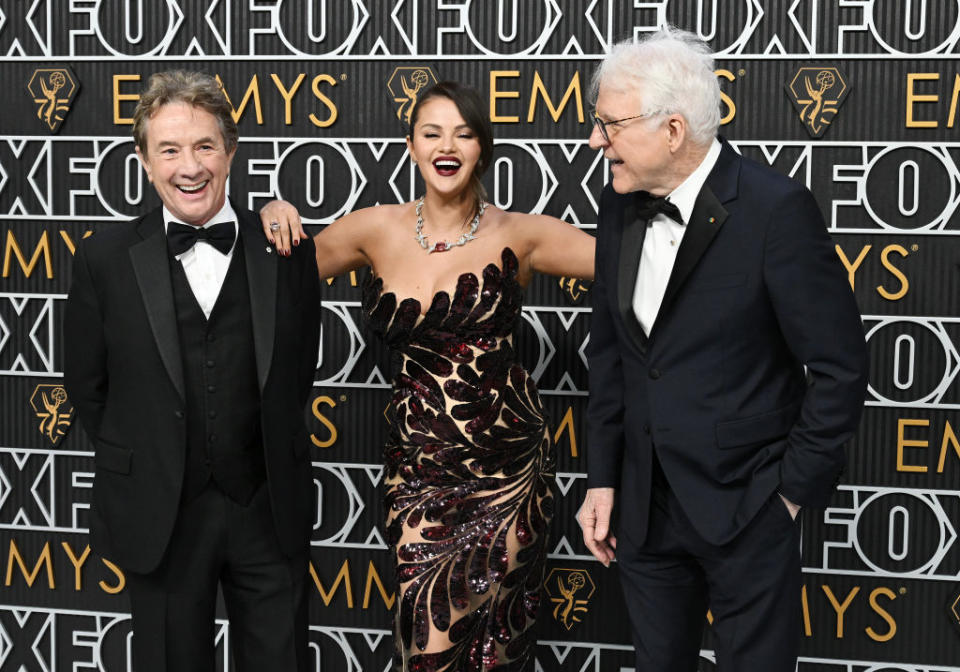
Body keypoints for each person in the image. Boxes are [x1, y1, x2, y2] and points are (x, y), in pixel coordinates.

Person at [261, 81, 594, 671]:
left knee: (495, 654)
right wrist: (271, 213)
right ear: (411, 145)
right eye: (432, 132)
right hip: (418, 474)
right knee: (429, 645)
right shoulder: (375, 229)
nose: (448, 146)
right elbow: (271, 277)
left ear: (482, 148)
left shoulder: (522, 233)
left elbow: (638, 265)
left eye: (464, 134)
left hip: (507, 475)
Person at [576, 28, 868, 671]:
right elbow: (611, 355)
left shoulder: (775, 209)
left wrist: (787, 496)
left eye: (609, 125)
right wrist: (602, 477)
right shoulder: (618, 207)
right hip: (644, 514)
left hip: (747, 507)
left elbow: (841, 366)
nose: (596, 141)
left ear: (673, 130)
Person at [64, 70, 320, 672]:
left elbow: (297, 371)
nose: (190, 166)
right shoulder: (103, 258)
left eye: (205, 146)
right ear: (144, 162)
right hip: (162, 516)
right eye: (169, 149)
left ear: (230, 152)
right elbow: (87, 387)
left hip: (266, 509)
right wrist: (152, 452)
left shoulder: (285, 248)